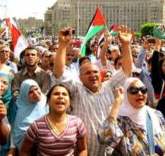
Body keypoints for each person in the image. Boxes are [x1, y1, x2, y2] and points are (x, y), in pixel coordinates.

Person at [52, 26, 133, 155]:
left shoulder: (109, 86)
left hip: (107, 152)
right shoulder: (76, 89)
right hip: (81, 151)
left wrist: (126, 45)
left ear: (100, 75)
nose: (93, 75)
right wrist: (62, 45)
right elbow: (59, 73)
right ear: (80, 77)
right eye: (87, 73)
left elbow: (126, 71)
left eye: (95, 72)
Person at [98, 77, 165, 155]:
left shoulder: (156, 115)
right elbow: (105, 138)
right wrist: (117, 102)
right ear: (125, 94)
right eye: (133, 91)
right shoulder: (119, 119)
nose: (140, 94)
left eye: (143, 90)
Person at [20, 84, 87, 156]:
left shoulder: (77, 123)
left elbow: (83, 149)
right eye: (56, 94)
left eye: (64, 94)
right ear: (48, 101)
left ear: (69, 102)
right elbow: (24, 151)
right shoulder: (36, 126)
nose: (61, 96)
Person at [11, 79, 48, 153]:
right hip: (25, 149)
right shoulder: (17, 107)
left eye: (36, 89)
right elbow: (14, 130)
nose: (36, 93)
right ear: (24, 94)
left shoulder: (47, 102)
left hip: (47, 146)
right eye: (30, 92)